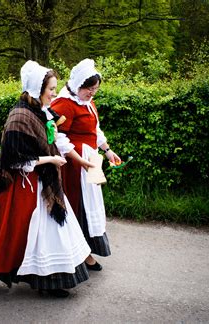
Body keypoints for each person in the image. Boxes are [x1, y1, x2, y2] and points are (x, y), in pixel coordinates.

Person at [0, 61, 91, 298]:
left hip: (46, 182)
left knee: (44, 232)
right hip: (29, 184)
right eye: (51, 88)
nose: (55, 93)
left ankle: (46, 279)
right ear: (37, 89)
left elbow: (54, 139)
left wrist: (60, 157)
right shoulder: (20, 116)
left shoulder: (42, 111)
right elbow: (15, 160)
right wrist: (51, 161)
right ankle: (43, 280)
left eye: (54, 88)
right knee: (32, 232)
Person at [51, 59, 121, 271]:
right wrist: (78, 159)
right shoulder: (63, 104)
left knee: (92, 205)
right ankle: (81, 254)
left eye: (95, 90)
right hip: (74, 165)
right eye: (89, 89)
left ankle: (87, 250)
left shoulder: (88, 103)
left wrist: (108, 150)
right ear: (78, 85)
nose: (92, 94)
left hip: (90, 160)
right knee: (78, 205)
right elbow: (58, 138)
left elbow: (95, 131)